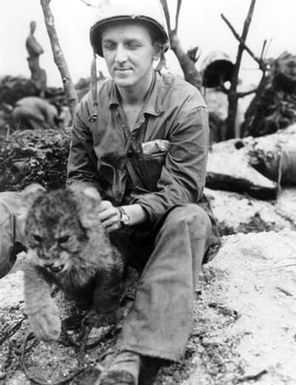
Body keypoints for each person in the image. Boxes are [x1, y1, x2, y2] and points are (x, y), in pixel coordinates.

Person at [67, 0, 219, 383]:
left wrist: (127, 214)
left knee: (190, 218)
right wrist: (89, 202)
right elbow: (79, 174)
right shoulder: (91, 107)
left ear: (158, 50)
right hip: (115, 230)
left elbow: (183, 187)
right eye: (110, 46)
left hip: (166, 228)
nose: (119, 57)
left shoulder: (185, 104)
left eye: (132, 45)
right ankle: (107, 278)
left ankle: (133, 357)